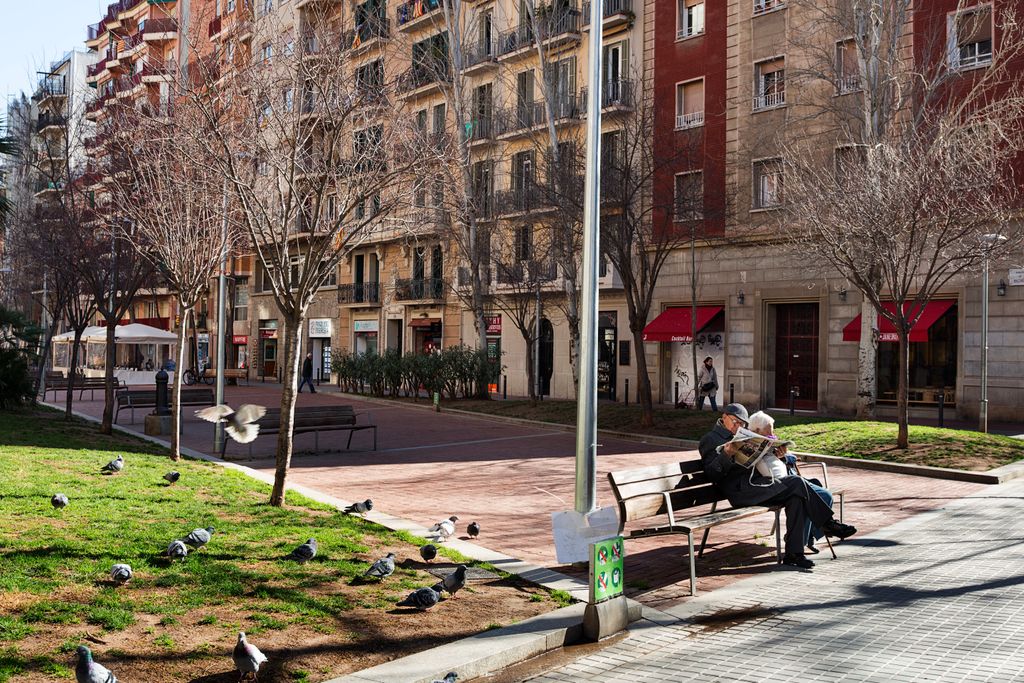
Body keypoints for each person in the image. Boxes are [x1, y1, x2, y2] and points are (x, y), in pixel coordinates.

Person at [698, 403, 856, 570]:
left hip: (759, 484)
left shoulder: (743, 436)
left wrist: (779, 456)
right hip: (741, 491)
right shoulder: (710, 439)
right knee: (796, 483)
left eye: (742, 423)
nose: (738, 426)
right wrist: (726, 455)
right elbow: (711, 474)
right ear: (724, 418)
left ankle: (794, 554)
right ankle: (827, 523)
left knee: (796, 496)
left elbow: (763, 463)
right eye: (735, 422)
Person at [747, 410, 833, 555]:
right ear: (756, 431)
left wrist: (784, 457)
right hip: (776, 487)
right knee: (820, 496)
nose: (771, 436)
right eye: (768, 434)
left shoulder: (769, 441)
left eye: (772, 434)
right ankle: (809, 536)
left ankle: (807, 535)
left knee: (817, 486)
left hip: (791, 480)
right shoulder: (750, 443)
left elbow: (790, 460)